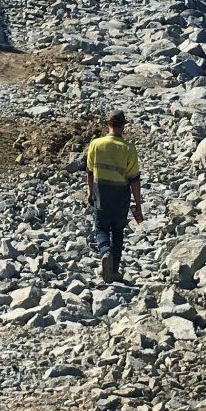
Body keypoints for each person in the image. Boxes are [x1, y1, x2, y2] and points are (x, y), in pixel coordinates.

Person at [84, 111, 143, 282]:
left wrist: (89, 192)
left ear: (107, 124)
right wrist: (138, 204)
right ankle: (114, 270)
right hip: (120, 194)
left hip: (100, 191)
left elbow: (89, 171)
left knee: (101, 227)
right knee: (117, 231)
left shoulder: (96, 144)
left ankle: (105, 253)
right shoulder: (129, 149)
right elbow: (134, 179)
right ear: (123, 126)